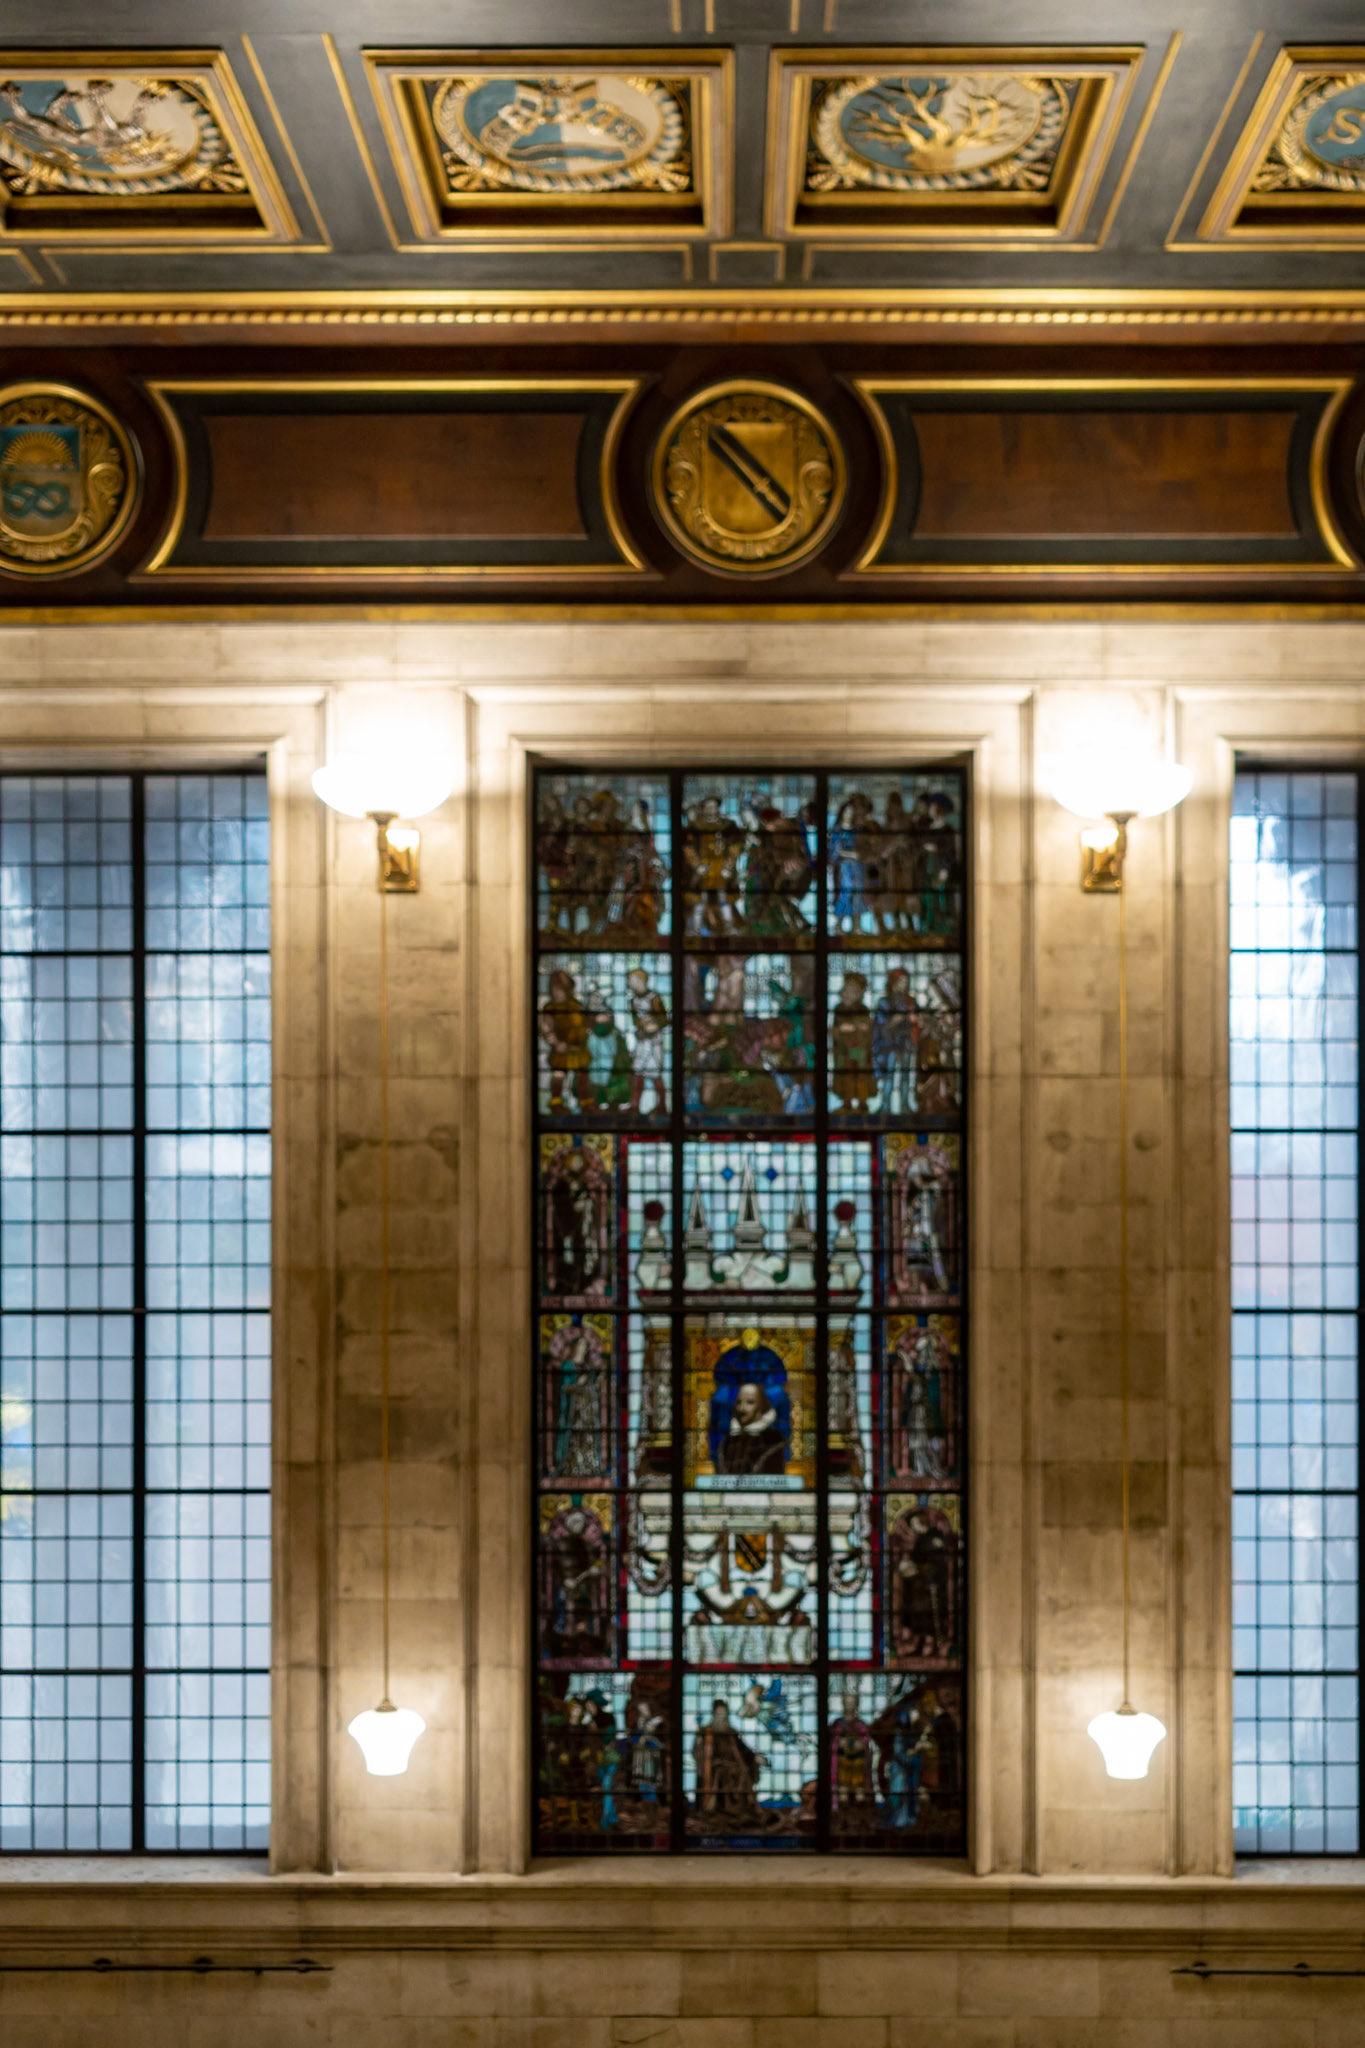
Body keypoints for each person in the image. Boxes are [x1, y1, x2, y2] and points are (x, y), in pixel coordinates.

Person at [692, 1699, 763, 1826]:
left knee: (742, 1771)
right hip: (715, 1768)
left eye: (724, 1714)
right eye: (719, 1714)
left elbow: (744, 1751)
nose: (722, 1717)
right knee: (727, 1773)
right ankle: (722, 1810)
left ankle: (740, 1810)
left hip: (734, 1767)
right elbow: (697, 1753)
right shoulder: (706, 1732)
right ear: (713, 1714)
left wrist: (755, 1757)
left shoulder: (731, 1733)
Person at [546, 1147, 601, 1297]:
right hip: (567, 1229)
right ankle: (566, 1285)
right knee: (567, 1256)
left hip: (583, 1228)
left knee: (582, 1256)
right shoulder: (563, 1185)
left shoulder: (583, 1185)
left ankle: (584, 1283)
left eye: (579, 1164)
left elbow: (590, 1205)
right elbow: (559, 1206)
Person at [541, 968, 590, 1111]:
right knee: (559, 1075)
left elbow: (586, 1022)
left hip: (578, 1048)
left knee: (582, 1075)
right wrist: (555, 1043)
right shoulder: (550, 1008)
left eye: (561, 989)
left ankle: (585, 1103)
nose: (558, 993)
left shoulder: (575, 1005)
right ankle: (556, 1104)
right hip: (561, 1049)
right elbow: (546, 1028)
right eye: (555, 989)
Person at [717, 1380, 788, 1476]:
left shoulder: (773, 1440)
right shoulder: (727, 1442)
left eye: (750, 1402)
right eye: (738, 1402)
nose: (741, 1408)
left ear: (761, 1407)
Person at [872, 967, 918, 1115]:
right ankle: (885, 1106)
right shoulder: (884, 1002)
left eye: (906, 982)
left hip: (906, 1043)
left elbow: (917, 1022)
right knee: (888, 1076)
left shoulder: (911, 1002)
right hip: (889, 1044)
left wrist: (914, 1021)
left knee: (905, 1076)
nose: (903, 985)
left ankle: (905, 1106)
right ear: (892, 982)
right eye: (900, 982)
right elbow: (880, 1024)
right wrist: (895, 1020)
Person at [626, 967, 668, 1114]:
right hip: (641, 1041)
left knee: (655, 1073)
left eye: (632, 981)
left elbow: (664, 1020)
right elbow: (635, 1020)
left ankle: (662, 1105)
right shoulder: (633, 1001)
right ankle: (635, 1105)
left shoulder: (654, 998)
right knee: (638, 1071)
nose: (630, 984)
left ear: (640, 981)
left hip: (654, 1041)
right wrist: (641, 1025)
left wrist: (654, 1024)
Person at [831, 970, 874, 1112]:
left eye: (853, 991)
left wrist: (853, 1028)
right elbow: (837, 1029)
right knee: (846, 1076)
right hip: (844, 1051)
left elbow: (865, 1028)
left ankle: (862, 1101)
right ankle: (847, 1101)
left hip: (860, 1050)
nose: (848, 993)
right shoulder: (839, 1009)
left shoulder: (863, 1009)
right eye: (846, 990)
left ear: (859, 994)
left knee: (861, 1075)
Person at [585, 1000, 633, 1111]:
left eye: (605, 1015)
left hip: (612, 1063)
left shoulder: (615, 1033)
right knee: (598, 1084)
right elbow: (589, 1048)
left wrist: (625, 1060)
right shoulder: (591, 1034)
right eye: (600, 1015)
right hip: (597, 1063)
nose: (603, 1017)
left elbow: (622, 1048)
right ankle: (601, 1101)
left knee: (614, 1083)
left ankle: (617, 1101)